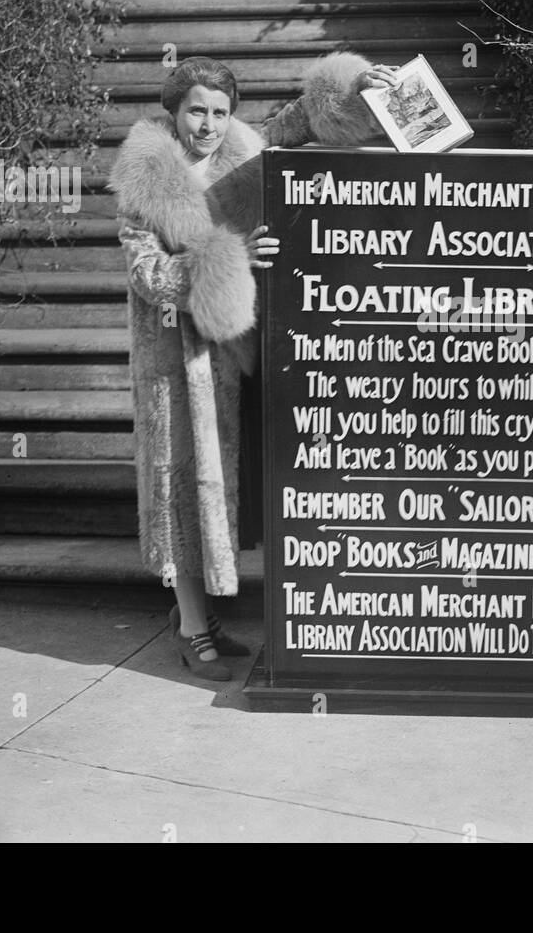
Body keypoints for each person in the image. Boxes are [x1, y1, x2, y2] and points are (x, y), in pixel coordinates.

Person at [109, 52, 398, 681]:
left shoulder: (245, 152)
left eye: (220, 112)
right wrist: (230, 258)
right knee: (183, 492)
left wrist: (354, 87)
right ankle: (192, 628)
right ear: (174, 112)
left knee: (228, 488)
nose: (208, 125)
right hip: (177, 362)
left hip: (240, 354)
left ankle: (200, 617)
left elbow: (302, 120)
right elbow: (147, 275)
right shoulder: (144, 184)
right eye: (197, 112)